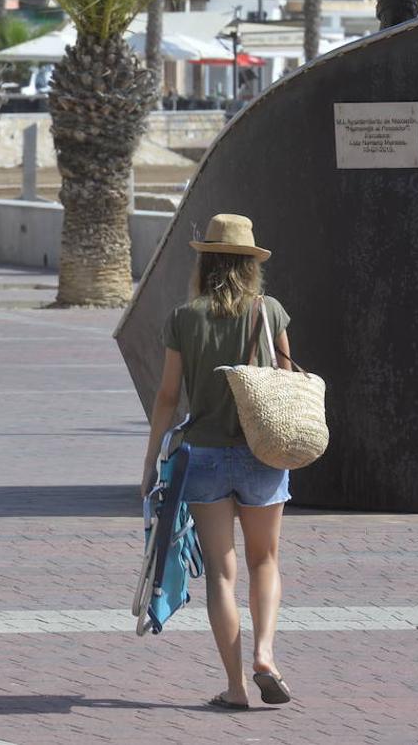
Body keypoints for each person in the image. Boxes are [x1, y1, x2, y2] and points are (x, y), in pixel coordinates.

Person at [140, 213, 294, 710]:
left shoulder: (185, 318)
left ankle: (235, 687)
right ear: (250, 265)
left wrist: (149, 461)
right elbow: (287, 379)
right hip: (262, 452)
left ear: (204, 261)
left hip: (203, 455)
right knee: (265, 559)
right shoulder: (268, 312)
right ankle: (265, 655)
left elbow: (167, 398)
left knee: (222, 573)